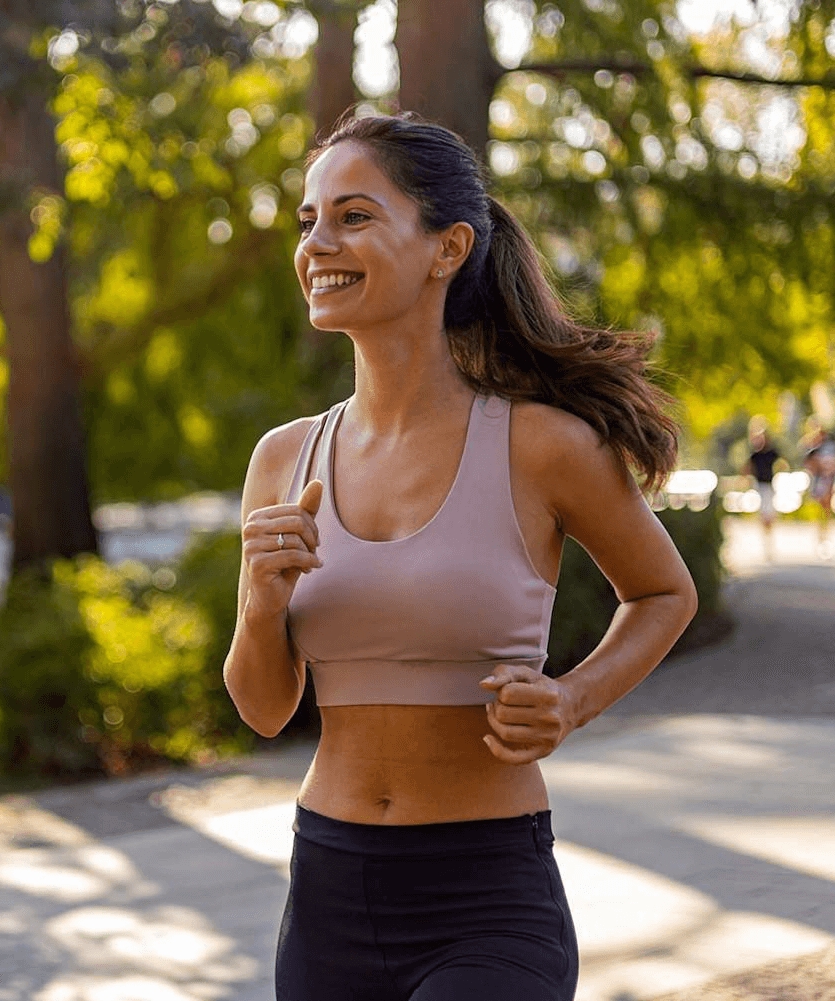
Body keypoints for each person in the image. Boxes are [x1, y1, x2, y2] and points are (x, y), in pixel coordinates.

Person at [222, 112, 698, 1001]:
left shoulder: (542, 446)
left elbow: (664, 592)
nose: (317, 242)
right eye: (307, 219)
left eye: (354, 215)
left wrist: (572, 698)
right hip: (329, 889)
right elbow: (262, 707)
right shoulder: (283, 460)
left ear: (447, 247)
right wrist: (258, 606)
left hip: (487, 893)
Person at [743, 416, 781, 558]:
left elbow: (782, 461)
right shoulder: (755, 455)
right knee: (764, 514)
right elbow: (747, 468)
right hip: (759, 486)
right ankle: (766, 541)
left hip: (769, 485)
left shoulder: (771, 452)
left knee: (769, 514)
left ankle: (769, 539)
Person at [803, 422, 835, 557]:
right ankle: (819, 537)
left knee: (827, 509)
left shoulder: (831, 446)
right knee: (819, 510)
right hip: (818, 481)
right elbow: (808, 465)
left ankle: (826, 538)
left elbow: (834, 464)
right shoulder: (812, 447)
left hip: (829, 480)